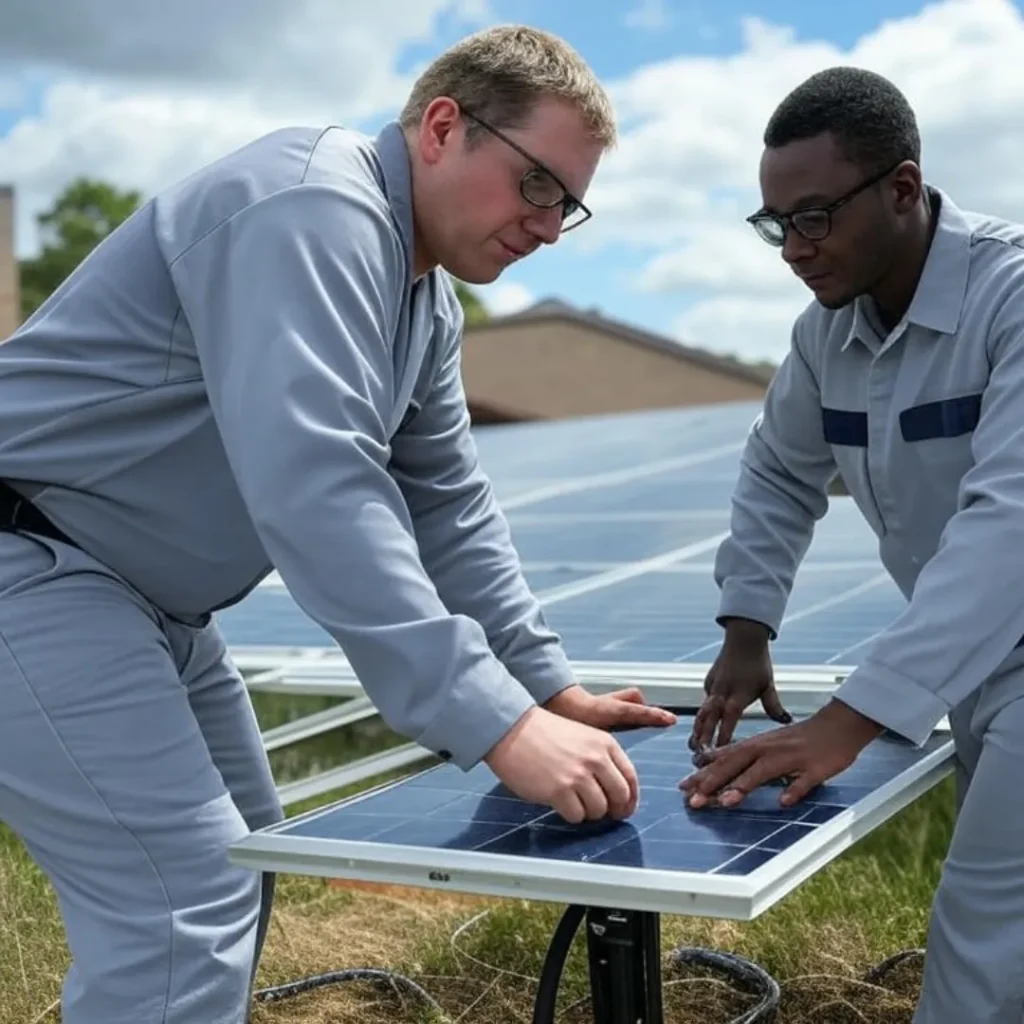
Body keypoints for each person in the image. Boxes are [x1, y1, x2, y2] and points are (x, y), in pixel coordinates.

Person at [0, 25, 676, 1024]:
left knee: (248, 848)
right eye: (538, 184)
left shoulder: (424, 304)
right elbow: (318, 480)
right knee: (185, 898)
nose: (547, 223)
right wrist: (495, 722)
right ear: (443, 126)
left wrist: (546, 688)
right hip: (33, 560)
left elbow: (447, 504)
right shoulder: (312, 207)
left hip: (144, 603)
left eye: (567, 206)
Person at [680, 65, 1024, 1024]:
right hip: (978, 668)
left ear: (904, 189)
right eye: (775, 223)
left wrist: (850, 719)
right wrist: (747, 627)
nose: (792, 248)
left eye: (816, 216)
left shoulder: (1013, 299)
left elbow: (1013, 527)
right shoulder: (825, 335)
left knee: (983, 948)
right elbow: (779, 469)